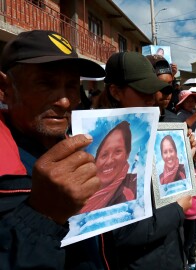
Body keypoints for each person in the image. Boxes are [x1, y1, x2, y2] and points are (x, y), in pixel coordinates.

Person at [0, 30, 117, 268]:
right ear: (5, 88)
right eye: (46, 83)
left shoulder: (85, 144)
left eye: (72, 86)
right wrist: (42, 215)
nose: (65, 101)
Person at [96, 51, 192, 270]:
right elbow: (121, 232)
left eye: (153, 88)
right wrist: (177, 209)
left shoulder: (158, 121)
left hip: (172, 252)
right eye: (142, 90)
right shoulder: (103, 142)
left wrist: (186, 151)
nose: (152, 97)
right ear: (115, 92)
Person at [80, 121, 136, 213]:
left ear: (127, 154)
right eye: (104, 155)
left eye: (118, 151)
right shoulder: (77, 189)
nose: (109, 161)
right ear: (96, 160)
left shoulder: (135, 186)